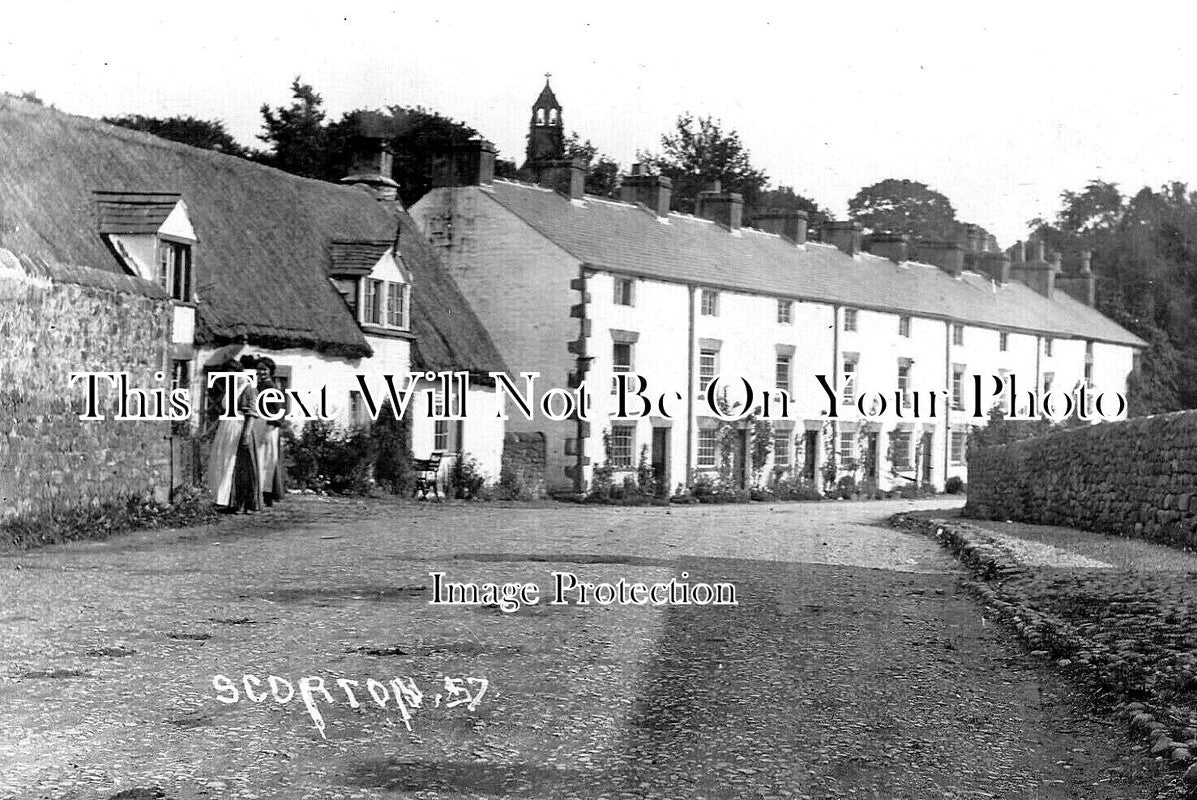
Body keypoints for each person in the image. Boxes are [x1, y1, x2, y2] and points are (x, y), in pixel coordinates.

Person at [205, 357, 264, 513]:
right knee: (222, 464)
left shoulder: (248, 387)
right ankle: (224, 500)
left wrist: (245, 434)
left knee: (238, 465)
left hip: (240, 428)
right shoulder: (231, 387)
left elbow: (251, 413)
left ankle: (241, 503)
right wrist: (211, 431)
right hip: (226, 429)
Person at [254, 356, 287, 507]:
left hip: (268, 426)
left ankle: (266, 493)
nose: (261, 372)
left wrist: (271, 426)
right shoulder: (259, 385)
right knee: (259, 459)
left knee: (266, 460)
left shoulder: (270, 387)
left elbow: (278, 410)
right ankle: (260, 492)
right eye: (259, 369)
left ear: (270, 372)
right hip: (259, 423)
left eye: (264, 369)